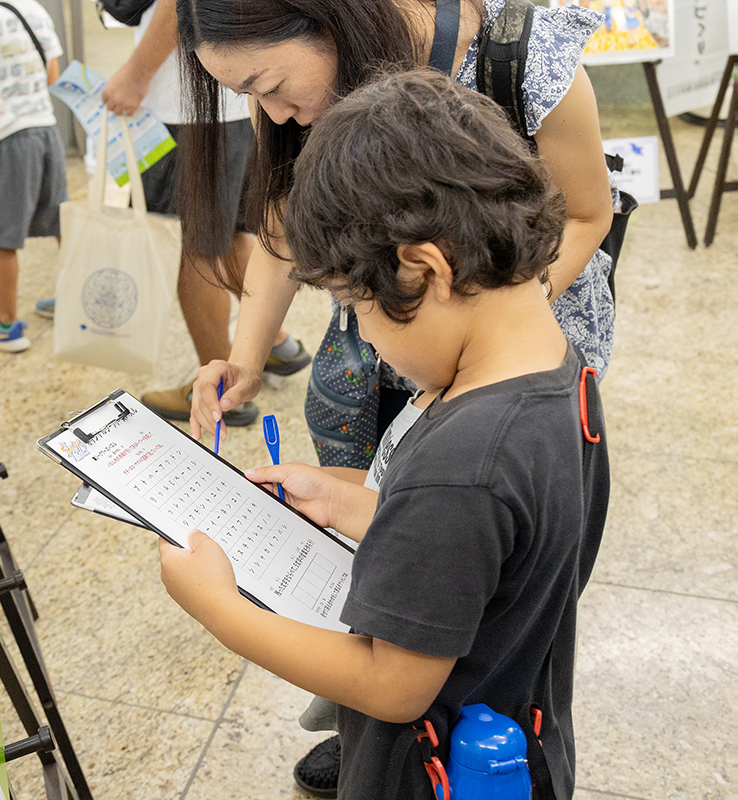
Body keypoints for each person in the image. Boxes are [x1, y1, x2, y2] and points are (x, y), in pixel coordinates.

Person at [158, 70, 609, 800]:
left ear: (425, 268)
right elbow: (503, 555)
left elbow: (392, 683)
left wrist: (220, 608)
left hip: (429, 772)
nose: (363, 338)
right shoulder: (561, 369)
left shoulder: (463, 464)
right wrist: (354, 505)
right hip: (518, 741)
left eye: (354, 306)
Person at [177, 0, 615, 471]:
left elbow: (586, 215)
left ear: (329, 20)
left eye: (269, 87)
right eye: (251, 94)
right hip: (388, 359)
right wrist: (245, 361)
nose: (275, 115)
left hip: (511, 367)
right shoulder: (287, 103)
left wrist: (489, 335)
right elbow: (281, 227)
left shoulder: (522, 55)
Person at [99, 0, 312, 426]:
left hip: (186, 101)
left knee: (194, 243)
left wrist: (137, 74)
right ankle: (271, 343)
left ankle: (218, 388)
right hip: (231, 95)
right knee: (229, 231)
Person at [0, 0, 69, 352]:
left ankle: (6, 325)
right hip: (46, 133)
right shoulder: (37, 12)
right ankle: (73, 301)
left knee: (2, 235)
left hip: (8, 138)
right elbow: (54, 77)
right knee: (59, 224)